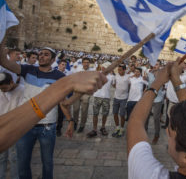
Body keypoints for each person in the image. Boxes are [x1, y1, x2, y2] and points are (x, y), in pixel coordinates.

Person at [0, 42, 74, 179]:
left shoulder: (59, 77)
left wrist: (70, 120)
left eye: (46, 54)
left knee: (47, 163)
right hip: (26, 125)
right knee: (22, 163)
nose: (42, 56)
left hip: (47, 126)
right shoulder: (28, 70)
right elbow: (4, 62)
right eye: (40, 54)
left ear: (53, 60)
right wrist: (2, 38)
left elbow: (62, 101)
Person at [0, 71, 107, 153]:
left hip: (43, 125)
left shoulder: (23, 89)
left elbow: (61, 102)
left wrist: (67, 84)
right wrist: (68, 83)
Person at [0, 72, 23, 179]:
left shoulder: (22, 91)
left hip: (15, 129)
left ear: (12, 82)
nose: (3, 91)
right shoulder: (1, 91)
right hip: (2, 128)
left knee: (14, 157)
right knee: (1, 157)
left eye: (5, 88)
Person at [87, 62, 114, 137]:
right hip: (97, 96)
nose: (104, 68)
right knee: (95, 113)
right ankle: (94, 129)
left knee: (105, 114)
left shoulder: (111, 76)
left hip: (106, 97)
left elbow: (115, 85)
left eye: (105, 67)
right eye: (103, 67)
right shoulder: (97, 74)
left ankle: (103, 127)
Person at [144, 60, 165, 144]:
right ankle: (145, 131)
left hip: (158, 98)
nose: (155, 66)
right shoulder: (149, 73)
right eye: (154, 64)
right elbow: (148, 84)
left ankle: (157, 135)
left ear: (159, 66)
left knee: (156, 118)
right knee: (147, 115)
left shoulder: (162, 74)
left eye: (157, 64)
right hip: (150, 98)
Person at [73, 57, 94, 132]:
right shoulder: (77, 70)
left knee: (84, 110)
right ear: (82, 63)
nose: (86, 64)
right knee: (75, 109)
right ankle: (75, 123)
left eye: (87, 62)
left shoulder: (92, 71)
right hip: (77, 92)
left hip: (86, 93)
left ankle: (82, 125)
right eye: (85, 62)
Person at [112, 64, 130, 138]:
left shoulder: (128, 77)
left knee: (122, 114)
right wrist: (118, 88)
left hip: (124, 98)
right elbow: (113, 84)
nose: (119, 71)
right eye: (118, 70)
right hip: (116, 97)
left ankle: (122, 128)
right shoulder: (116, 75)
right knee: (115, 113)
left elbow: (131, 85)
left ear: (124, 70)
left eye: (120, 70)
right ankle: (117, 127)